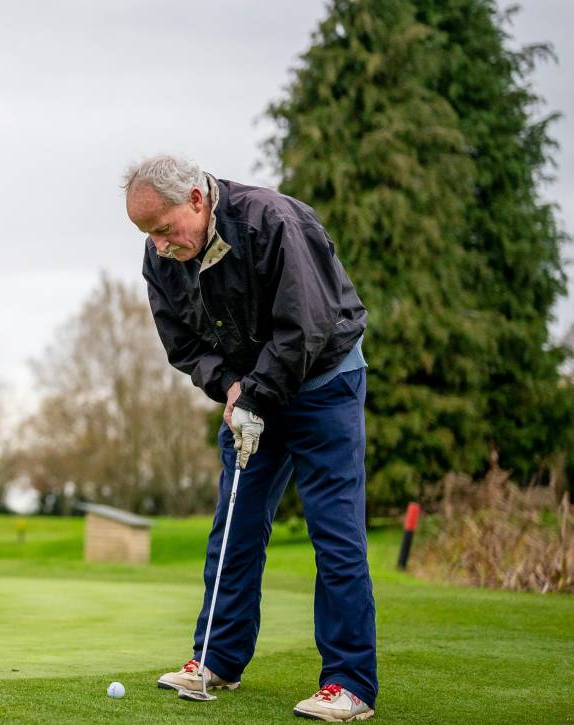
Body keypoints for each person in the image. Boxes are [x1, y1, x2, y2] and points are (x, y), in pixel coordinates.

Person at [123, 155, 376, 722]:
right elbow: (181, 343)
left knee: (334, 532)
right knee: (234, 527)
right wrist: (233, 388)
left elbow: (305, 323)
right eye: (148, 236)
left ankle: (349, 683)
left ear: (196, 200)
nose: (160, 246)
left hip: (325, 383)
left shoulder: (270, 220)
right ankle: (216, 659)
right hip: (251, 395)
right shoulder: (161, 255)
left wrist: (254, 395)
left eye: (164, 230)